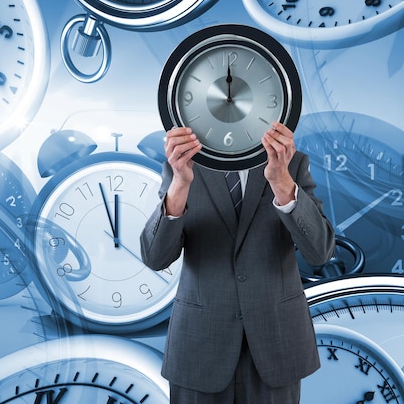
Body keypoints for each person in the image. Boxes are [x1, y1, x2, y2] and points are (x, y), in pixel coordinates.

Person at [139, 122, 336, 404]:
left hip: (275, 343)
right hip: (199, 345)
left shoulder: (290, 161)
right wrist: (180, 184)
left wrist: (280, 179)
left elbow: (321, 252)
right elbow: (156, 258)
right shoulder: (182, 164)